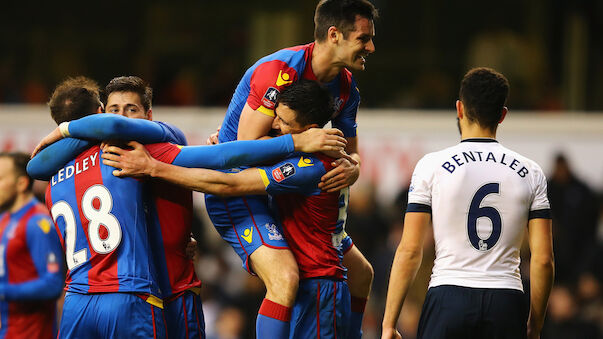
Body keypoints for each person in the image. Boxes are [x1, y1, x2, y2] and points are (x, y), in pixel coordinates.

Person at [33, 76, 341, 338]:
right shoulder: (122, 153)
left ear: (149, 115)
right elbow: (222, 161)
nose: (124, 119)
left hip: (169, 289)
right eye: (115, 111)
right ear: (100, 115)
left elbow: (35, 167)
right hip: (137, 293)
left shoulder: (66, 174)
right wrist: (294, 144)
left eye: (132, 109)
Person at [207, 1, 378, 336]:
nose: (371, 47)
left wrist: (354, 169)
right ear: (334, 35)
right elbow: (245, 151)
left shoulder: (346, 89)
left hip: (280, 187)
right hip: (237, 187)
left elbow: (351, 154)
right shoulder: (279, 70)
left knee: (361, 273)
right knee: (285, 278)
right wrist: (300, 145)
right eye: (363, 38)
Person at [381, 68, 555, 339]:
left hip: (448, 296)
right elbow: (543, 259)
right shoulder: (531, 172)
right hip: (506, 299)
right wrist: (535, 324)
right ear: (502, 115)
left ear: (459, 108)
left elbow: (409, 250)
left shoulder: (432, 166)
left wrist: (388, 323)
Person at [0, 152, 63, 339]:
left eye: (1, 179)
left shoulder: (38, 223)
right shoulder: (4, 220)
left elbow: (52, 285)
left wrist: (3, 291)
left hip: (31, 333)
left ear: (21, 184)